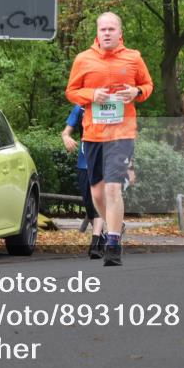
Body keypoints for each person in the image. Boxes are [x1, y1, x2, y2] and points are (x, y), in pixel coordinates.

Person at [66, 12, 153, 266]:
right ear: (97, 32)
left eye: (111, 29)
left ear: (119, 32)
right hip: (93, 133)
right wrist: (92, 95)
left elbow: (148, 86)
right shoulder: (83, 59)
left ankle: (113, 243)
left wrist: (136, 91)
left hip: (122, 133)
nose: (106, 33)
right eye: (103, 29)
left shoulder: (133, 57)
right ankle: (116, 224)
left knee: (113, 187)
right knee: (97, 192)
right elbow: (71, 91)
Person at [62, 104, 105, 258]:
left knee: (97, 202)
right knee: (89, 205)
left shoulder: (109, 106)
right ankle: (103, 236)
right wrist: (66, 138)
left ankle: (95, 244)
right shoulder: (79, 109)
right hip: (83, 163)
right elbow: (65, 132)